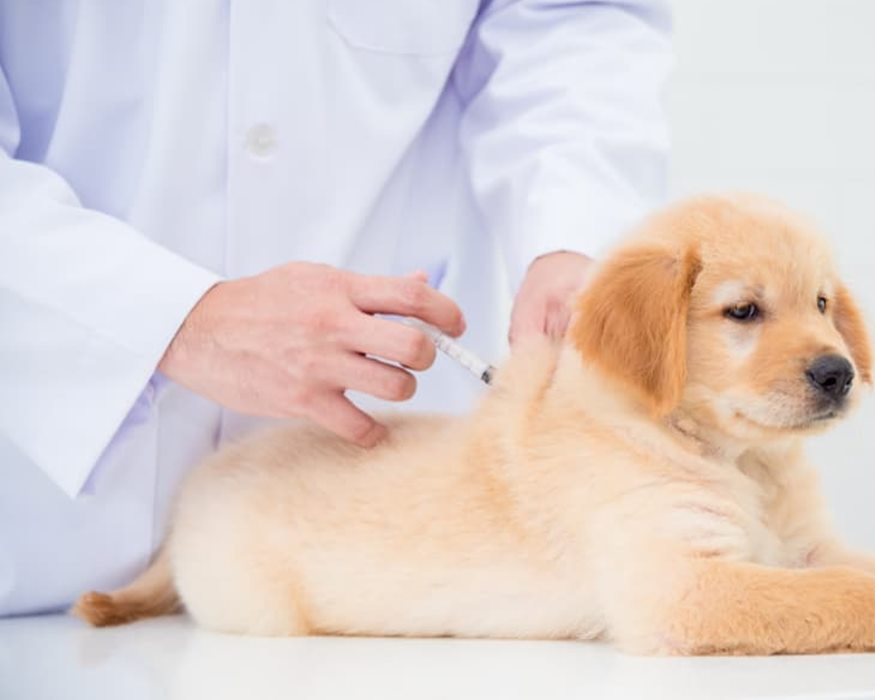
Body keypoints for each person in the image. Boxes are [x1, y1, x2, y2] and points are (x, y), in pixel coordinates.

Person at [0, 1, 670, 616]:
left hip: (392, 543)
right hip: (45, 530)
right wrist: (173, 318)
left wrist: (573, 234)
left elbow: (569, 19)